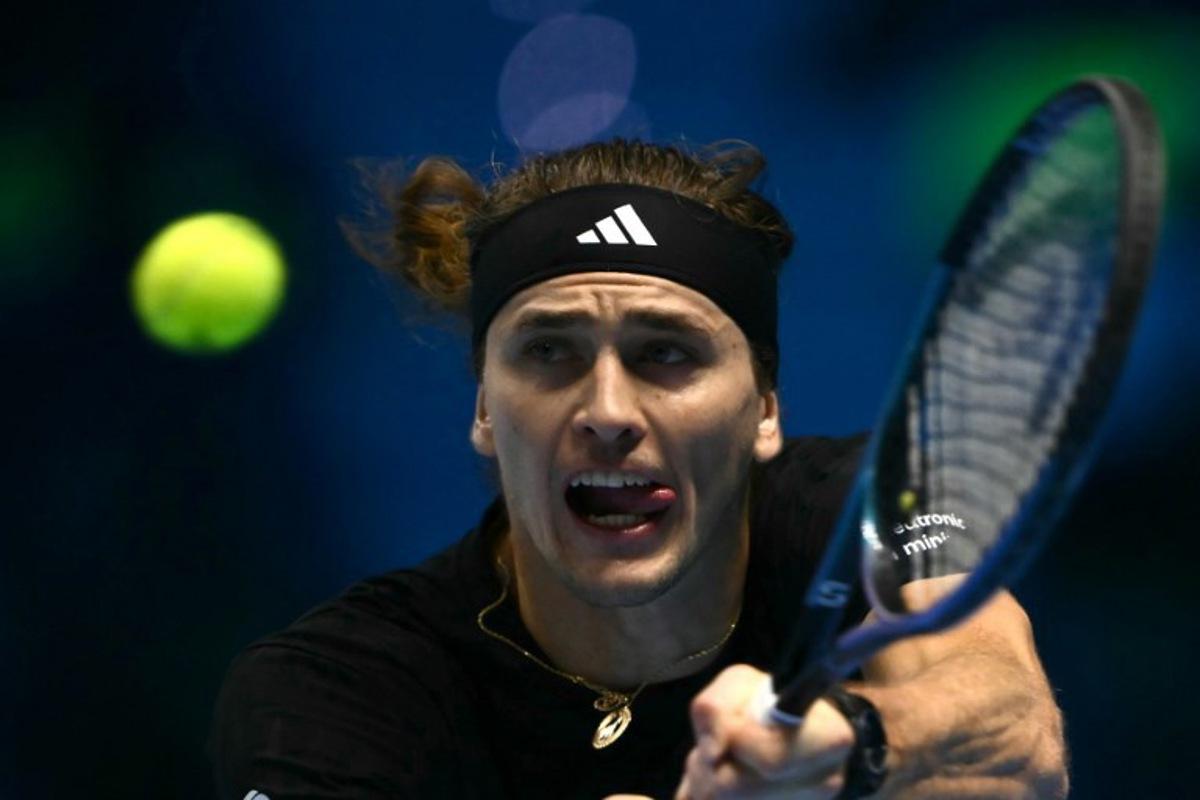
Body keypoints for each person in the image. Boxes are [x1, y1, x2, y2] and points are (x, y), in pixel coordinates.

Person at [209, 139, 1068, 799]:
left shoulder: (869, 503)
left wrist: (840, 742)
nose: (609, 412)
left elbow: (1016, 731)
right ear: (482, 408)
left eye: (667, 353)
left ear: (765, 409)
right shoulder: (337, 688)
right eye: (549, 351)